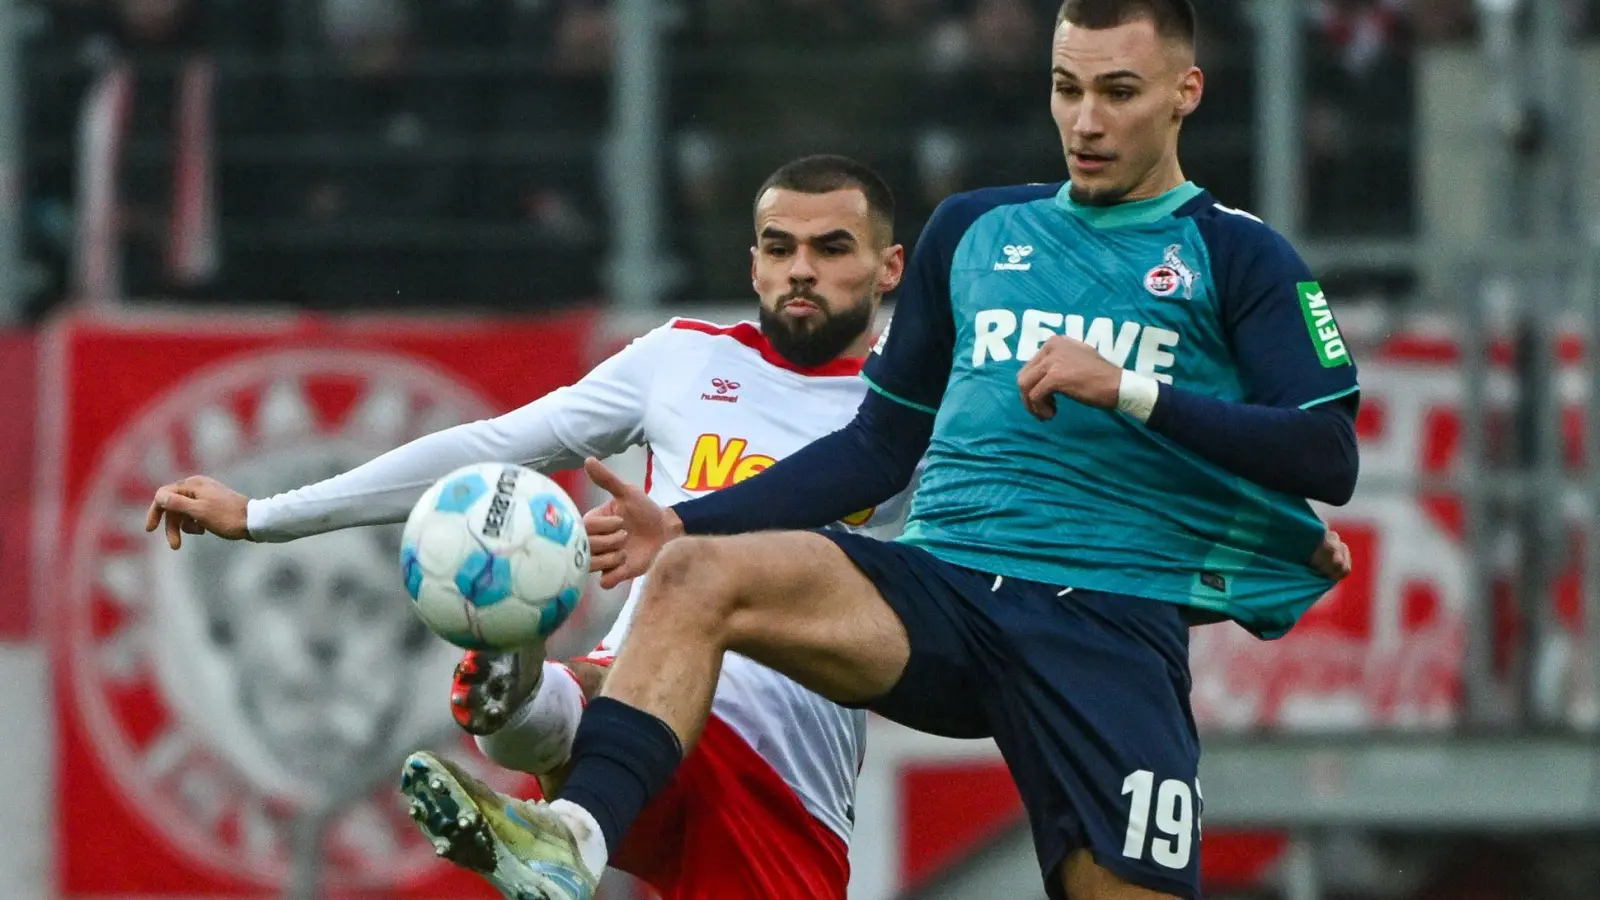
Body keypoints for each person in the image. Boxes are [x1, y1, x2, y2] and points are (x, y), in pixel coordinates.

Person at [447, 1, 1364, 899]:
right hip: (948, 591)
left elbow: (1326, 452)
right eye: (1066, 88)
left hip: (1107, 636)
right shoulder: (974, 231)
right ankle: (574, 838)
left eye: (1118, 91)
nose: (1085, 121)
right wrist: (681, 519)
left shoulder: (1240, 256)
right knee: (693, 574)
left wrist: (1127, 389)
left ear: (1184, 92)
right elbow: (879, 445)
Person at [145, 155, 921, 900]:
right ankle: (522, 683)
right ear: (754, 264)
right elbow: (492, 445)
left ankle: (525, 701)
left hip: (784, 767)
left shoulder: (921, 411)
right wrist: (264, 516)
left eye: (831, 248)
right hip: (643, 703)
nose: (801, 270)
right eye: (780, 248)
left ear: (889, 268)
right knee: (579, 684)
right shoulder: (683, 360)